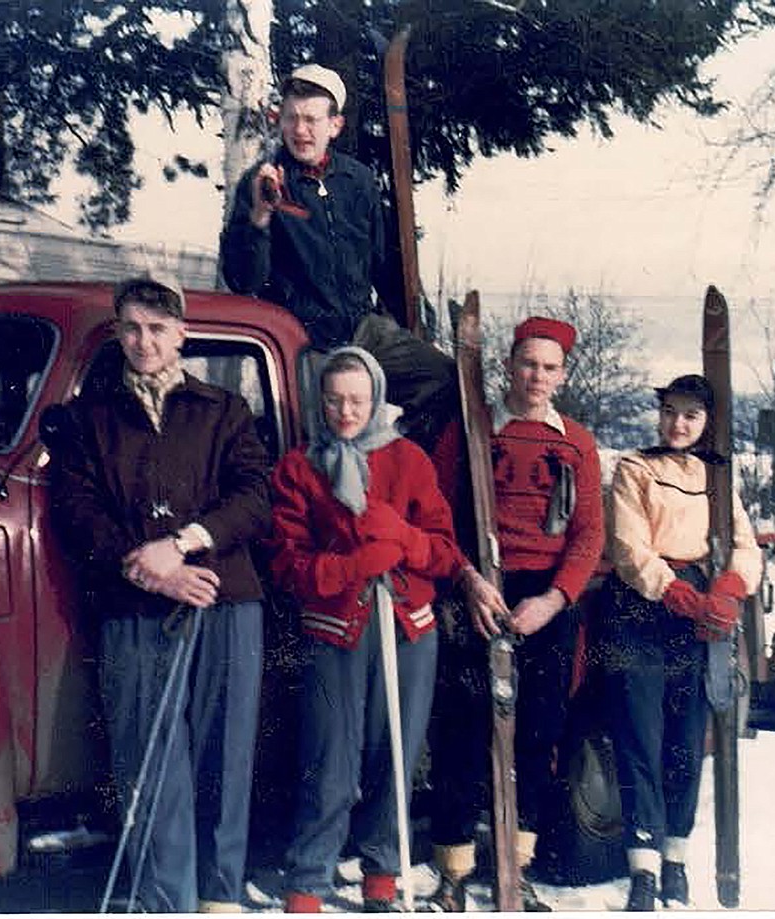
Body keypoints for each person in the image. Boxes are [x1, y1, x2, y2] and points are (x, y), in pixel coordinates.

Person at [47, 269, 271, 913]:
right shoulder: (91, 419)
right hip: (136, 601)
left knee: (224, 755)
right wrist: (142, 563)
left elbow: (256, 498)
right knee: (149, 756)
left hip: (222, 599)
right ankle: (166, 899)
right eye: (132, 329)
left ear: (182, 334)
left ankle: (220, 897)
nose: (144, 342)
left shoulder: (222, 410)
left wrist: (184, 544)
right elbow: (76, 508)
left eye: (157, 329)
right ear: (118, 334)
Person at [268, 346, 467, 912]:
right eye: (334, 400)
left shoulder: (410, 460)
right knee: (329, 758)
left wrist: (402, 539)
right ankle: (310, 875)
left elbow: (446, 553)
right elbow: (287, 563)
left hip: (408, 629)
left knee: (395, 753)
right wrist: (354, 565)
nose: (346, 412)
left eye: (357, 400)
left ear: (376, 398)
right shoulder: (299, 467)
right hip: (334, 628)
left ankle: (382, 872)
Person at [427, 316, 605, 911]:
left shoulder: (577, 442)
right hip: (480, 591)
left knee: (537, 734)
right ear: (509, 365)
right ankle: (453, 866)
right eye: (528, 363)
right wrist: (470, 581)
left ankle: (515, 866)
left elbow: (588, 537)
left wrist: (553, 601)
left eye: (550, 367)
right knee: (464, 731)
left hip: (545, 601)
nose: (538, 377)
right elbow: (438, 521)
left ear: (563, 374)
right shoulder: (471, 432)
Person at [599, 374, 762, 910]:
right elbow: (628, 545)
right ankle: (641, 865)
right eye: (671, 412)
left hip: (699, 613)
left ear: (706, 423)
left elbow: (745, 544)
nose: (678, 424)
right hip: (642, 607)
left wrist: (731, 587)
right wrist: (676, 596)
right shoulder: (634, 468)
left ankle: (675, 859)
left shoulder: (717, 479)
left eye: (691, 415)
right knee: (639, 736)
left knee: (687, 738)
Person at [221, 64, 391, 352]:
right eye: (291, 118)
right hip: (302, 342)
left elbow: (379, 261)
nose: (300, 131)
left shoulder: (358, 179)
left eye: (311, 119)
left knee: (441, 376)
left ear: (335, 125)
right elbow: (243, 281)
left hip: (364, 332)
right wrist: (260, 216)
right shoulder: (260, 182)